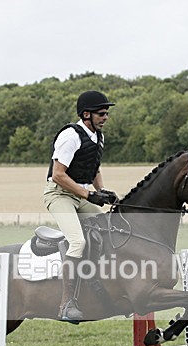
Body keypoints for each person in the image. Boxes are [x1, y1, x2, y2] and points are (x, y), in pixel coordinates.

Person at [42, 90, 118, 322]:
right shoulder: (70, 136)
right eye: (101, 113)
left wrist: (101, 192)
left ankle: (93, 282)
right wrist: (88, 194)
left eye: (106, 113)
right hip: (60, 195)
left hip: (80, 195)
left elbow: (93, 169)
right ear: (86, 114)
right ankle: (66, 303)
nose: (105, 117)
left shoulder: (98, 136)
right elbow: (58, 175)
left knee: (108, 231)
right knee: (78, 241)